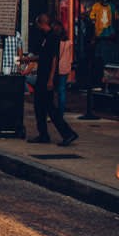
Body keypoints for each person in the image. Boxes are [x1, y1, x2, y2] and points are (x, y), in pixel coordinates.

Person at [28, 14, 78, 146]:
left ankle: (67, 133)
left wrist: (50, 79)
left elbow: (54, 59)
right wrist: (27, 60)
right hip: (42, 75)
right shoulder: (46, 37)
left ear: (41, 24)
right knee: (40, 106)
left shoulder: (53, 37)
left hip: (47, 77)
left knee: (49, 107)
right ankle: (43, 134)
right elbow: (43, 56)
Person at [55, 21, 73, 119]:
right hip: (65, 68)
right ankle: (60, 112)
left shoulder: (56, 42)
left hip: (56, 68)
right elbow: (70, 56)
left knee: (54, 90)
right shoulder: (68, 42)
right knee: (62, 90)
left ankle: (54, 111)